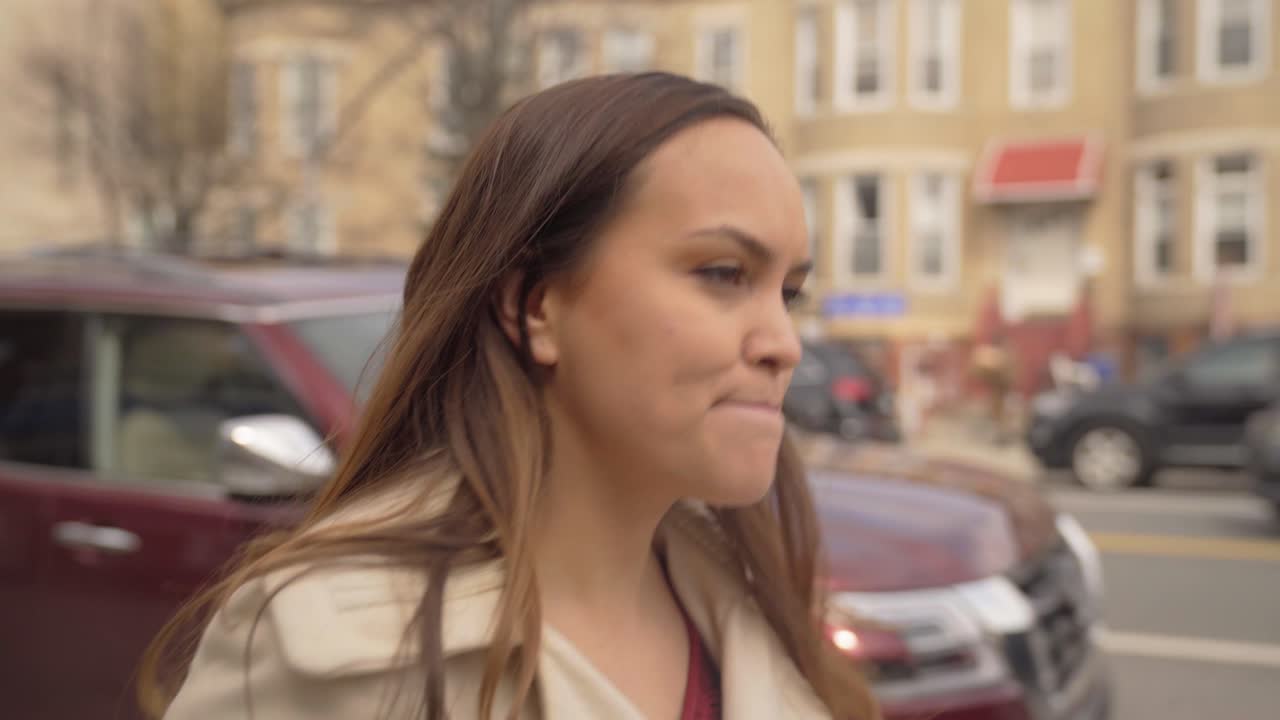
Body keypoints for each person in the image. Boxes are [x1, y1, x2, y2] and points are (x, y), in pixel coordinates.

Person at [139, 73, 878, 720]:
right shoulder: (334, 648)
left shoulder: (748, 608)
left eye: (789, 293)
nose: (784, 343)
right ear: (535, 306)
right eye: (722, 273)